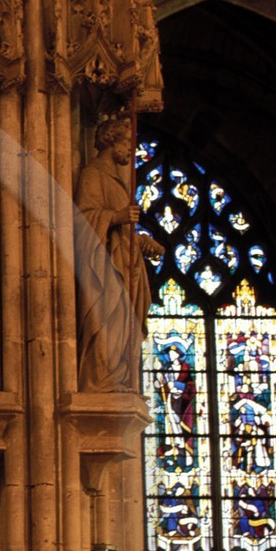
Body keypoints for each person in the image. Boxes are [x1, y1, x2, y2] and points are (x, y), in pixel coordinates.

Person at [76, 115, 165, 391]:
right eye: (128, 142)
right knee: (107, 320)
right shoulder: (93, 174)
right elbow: (82, 221)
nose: (131, 149)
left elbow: (121, 232)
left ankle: (117, 375)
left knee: (125, 323)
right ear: (112, 141)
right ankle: (102, 378)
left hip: (125, 267)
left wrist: (141, 241)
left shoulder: (117, 179)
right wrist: (116, 217)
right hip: (103, 269)